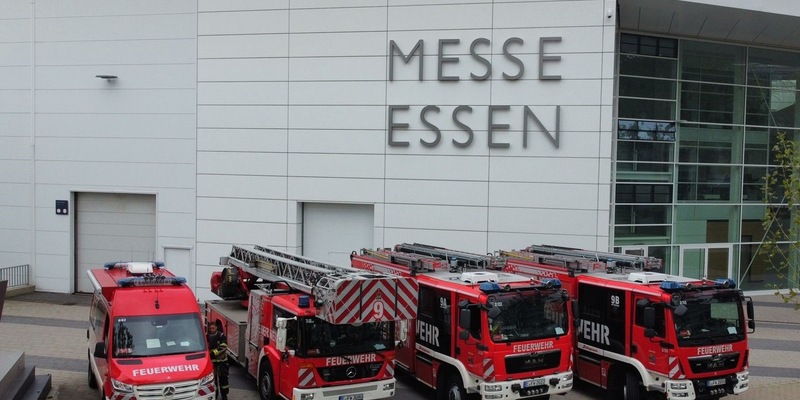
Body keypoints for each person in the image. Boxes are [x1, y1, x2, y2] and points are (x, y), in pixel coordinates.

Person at [207, 321, 229, 400]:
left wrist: (213, 353)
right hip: (212, 364)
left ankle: (224, 396)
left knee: (223, 381)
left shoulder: (221, 336)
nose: (211, 330)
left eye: (213, 328)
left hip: (222, 362)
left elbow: (223, 346)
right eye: (210, 328)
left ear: (216, 327)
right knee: (213, 382)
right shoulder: (207, 336)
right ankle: (215, 396)